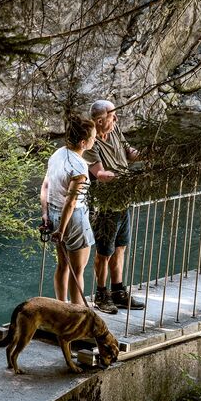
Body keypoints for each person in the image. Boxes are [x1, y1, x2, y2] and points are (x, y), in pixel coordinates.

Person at [84, 99, 145, 314]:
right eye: (112, 116)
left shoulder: (115, 129)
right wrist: (126, 178)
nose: (116, 119)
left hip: (123, 199)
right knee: (104, 251)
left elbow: (129, 152)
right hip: (104, 205)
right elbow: (100, 174)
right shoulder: (90, 141)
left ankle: (118, 292)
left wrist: (148, 153)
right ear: (99, 120)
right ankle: (101, 295)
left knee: (121, 246)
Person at [40, 116, 97, 304]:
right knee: (77, 271)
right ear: (83, 142)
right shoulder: (79, 165)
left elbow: (46, 187)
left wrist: (46, 217)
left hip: (55, 213)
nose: (94, 140)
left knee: (62, 265)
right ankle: (76, 314)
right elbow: (71, 202)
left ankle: (61, 307)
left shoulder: (57, 153)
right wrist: (62, 230)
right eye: (93, 138)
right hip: (73, 219)